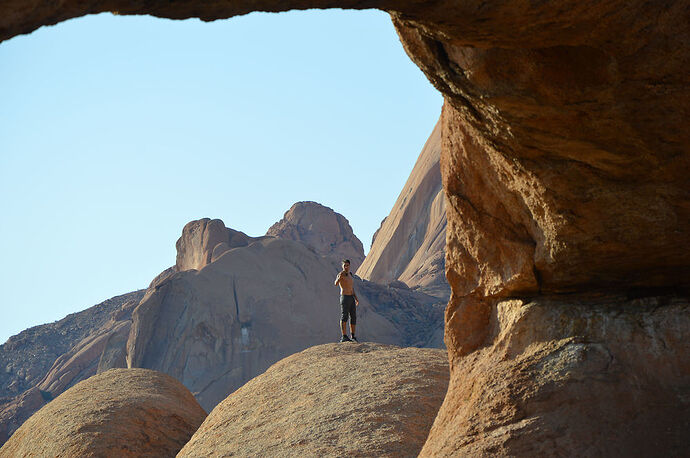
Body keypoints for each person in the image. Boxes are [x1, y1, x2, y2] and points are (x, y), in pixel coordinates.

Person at [334, 259, 359, 342]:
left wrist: (356, 298)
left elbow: (352, 288)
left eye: (347, 265)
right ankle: (344, 336)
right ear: (342, 266)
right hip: (344, 297)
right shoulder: (341, 274)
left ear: (349, 266)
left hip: (351, 297)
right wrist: (339, 278)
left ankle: (353, 336)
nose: (346, 267)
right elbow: (335, 284)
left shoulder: (350, 275)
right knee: (344, 316)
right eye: (344, 265)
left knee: (353, 317)